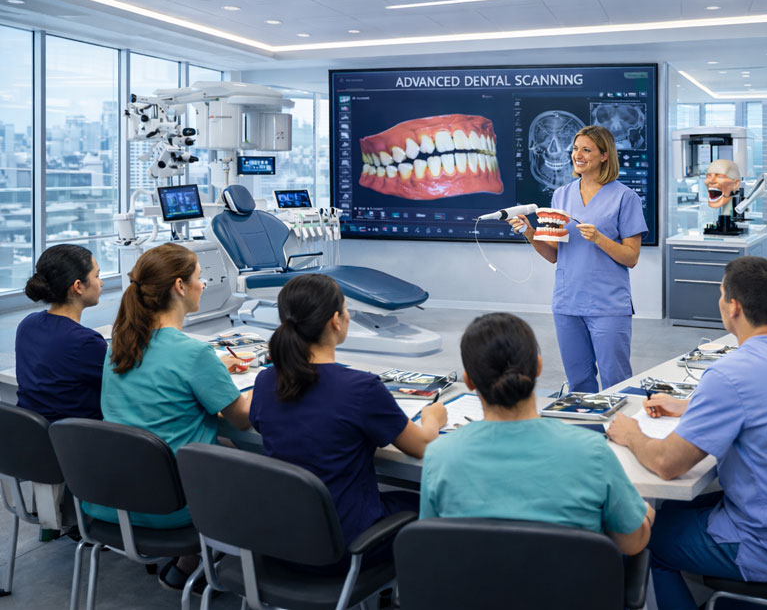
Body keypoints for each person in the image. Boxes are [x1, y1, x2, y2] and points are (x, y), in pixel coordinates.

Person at [607, 257, 767, 610]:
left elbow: (667, 464)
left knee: (640, 534)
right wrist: (693, 407)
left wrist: (631, 433)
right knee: (679, 511)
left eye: (721, 294)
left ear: (734, 307)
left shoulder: (730, 374)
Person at [250, 273, 447, 573]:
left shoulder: (266, 381)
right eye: (345, 308)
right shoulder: (361, 389)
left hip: (281, 540)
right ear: (336, 321)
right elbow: (420, 447)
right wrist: (433, 419)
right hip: (345, 548)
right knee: (431, 506)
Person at [85, 243, 252, 591]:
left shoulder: (119, 343)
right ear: (179, 286)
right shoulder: (194, 353)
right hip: (174, 508)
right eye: (199, 277)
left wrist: (214, 371)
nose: (203, 284)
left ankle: (187, 566)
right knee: (261, 470)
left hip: (112, 498)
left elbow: (163, 377)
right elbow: (241, 419)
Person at [420, 312, 653, 556]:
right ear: (538, 366)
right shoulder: (591, 451)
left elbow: (432, 547)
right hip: (568, 593)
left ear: (468, 381)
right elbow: (632, 543)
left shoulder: (440, 456)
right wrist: (644, 512)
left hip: (471, 593)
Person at [509, 125, 647, 393]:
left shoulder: (625, 197)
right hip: (567, 303)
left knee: (616, 381)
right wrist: (529, 231)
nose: (577, 155)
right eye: (575, 149)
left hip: (608, 305)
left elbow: (631, 257)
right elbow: (552, 254)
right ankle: (587, 432)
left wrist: (599, 239)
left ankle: (620, 434)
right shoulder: (561, 195)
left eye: (587, 150)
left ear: (605, 155)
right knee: (579, 382)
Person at [16, 244, 106, 422]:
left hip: (34, 440)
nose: (101, 282)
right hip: (80, 441)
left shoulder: (27, 325)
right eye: (97, 276)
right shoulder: (86, 342)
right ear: (78, 286)